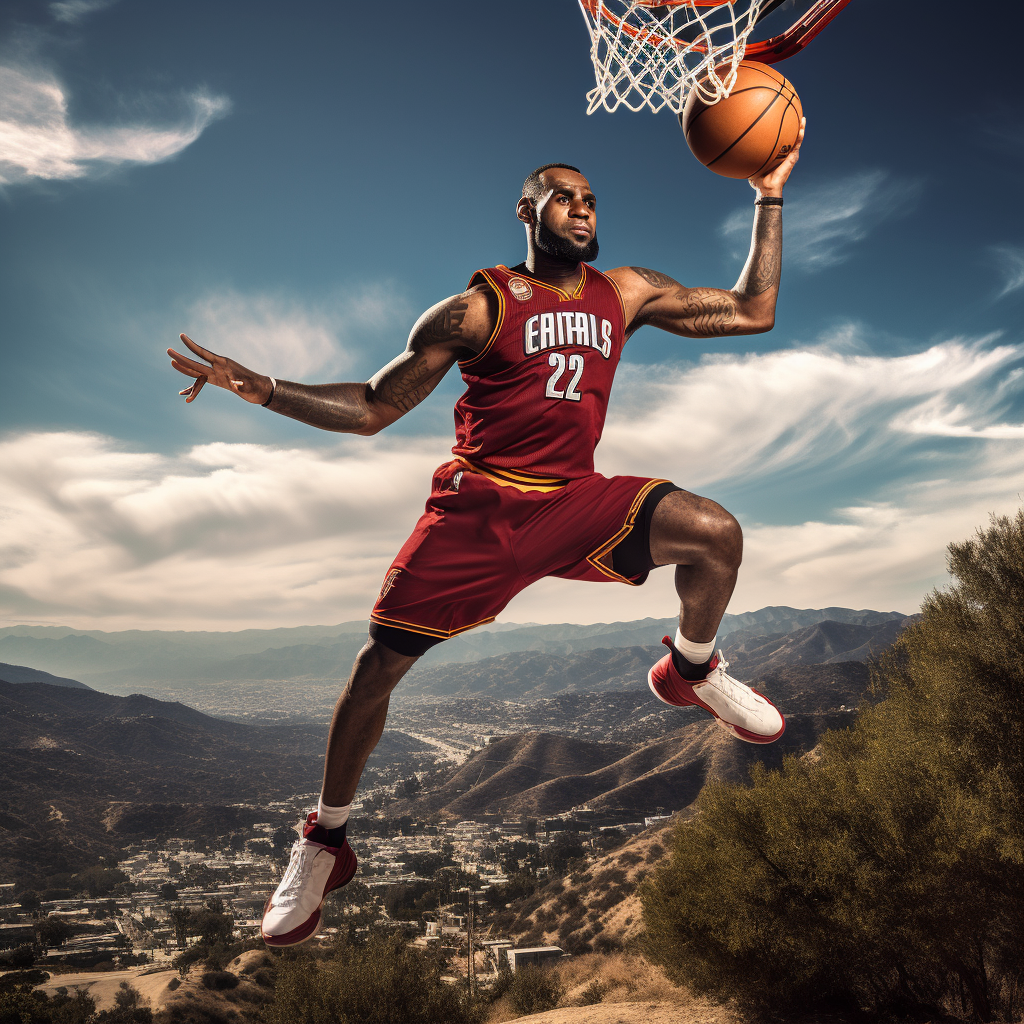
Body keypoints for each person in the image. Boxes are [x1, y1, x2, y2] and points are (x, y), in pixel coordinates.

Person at [167, 120, 805, 947]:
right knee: (375, 670)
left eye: (590, 199)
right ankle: (324, 841)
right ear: (526, 211)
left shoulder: (629, 291)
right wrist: (264, 389)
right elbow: (373, 406)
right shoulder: (479, 306)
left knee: (716, 532)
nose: (580, 209)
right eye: (562, 198)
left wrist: (768, 192)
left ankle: (691, 670)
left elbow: (755, 310)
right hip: (481, 510)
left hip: (574, 498)